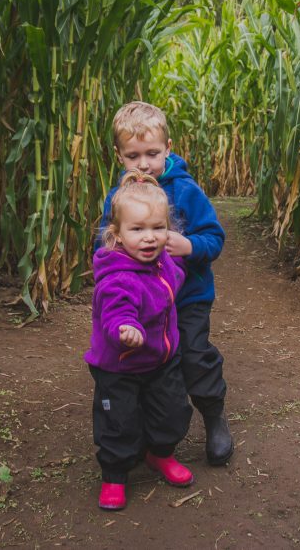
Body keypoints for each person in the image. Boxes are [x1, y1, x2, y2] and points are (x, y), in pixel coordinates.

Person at [98, 101, 234, 467]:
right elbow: (106, 243)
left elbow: (214, 239)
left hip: (187, 298)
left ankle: (213, 414)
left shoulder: (186, 190)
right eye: (133, 155)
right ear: (119, 156)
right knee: (146, 363)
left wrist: (189, 246)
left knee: (192, 355)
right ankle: (148, 434)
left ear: (168, 148)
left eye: (152, 154)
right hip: (142, 305)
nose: (143, 164)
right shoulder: (120, 197)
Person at [86, 170, 194, 511]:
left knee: (173, 410)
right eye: (138, 230)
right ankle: (115, 475)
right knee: (119, 422)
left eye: (157, 228)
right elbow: (115, 313)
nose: (149, 238)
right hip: (119, 365)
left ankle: (159, 454)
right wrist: (125, 329)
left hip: (160, 359)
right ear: (117, 236)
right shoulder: (118, 278)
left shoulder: (162, 262)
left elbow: (174, 277)